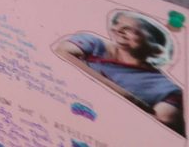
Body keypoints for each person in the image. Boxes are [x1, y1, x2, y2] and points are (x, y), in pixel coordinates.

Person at [54, 11, 183, 133]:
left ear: (156, 50)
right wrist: (129, 98)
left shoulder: (167, 89)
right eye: (116, 24)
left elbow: (163, 123)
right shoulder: (93, 44)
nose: (117, 30)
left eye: (129, 29)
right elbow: (62, 53)